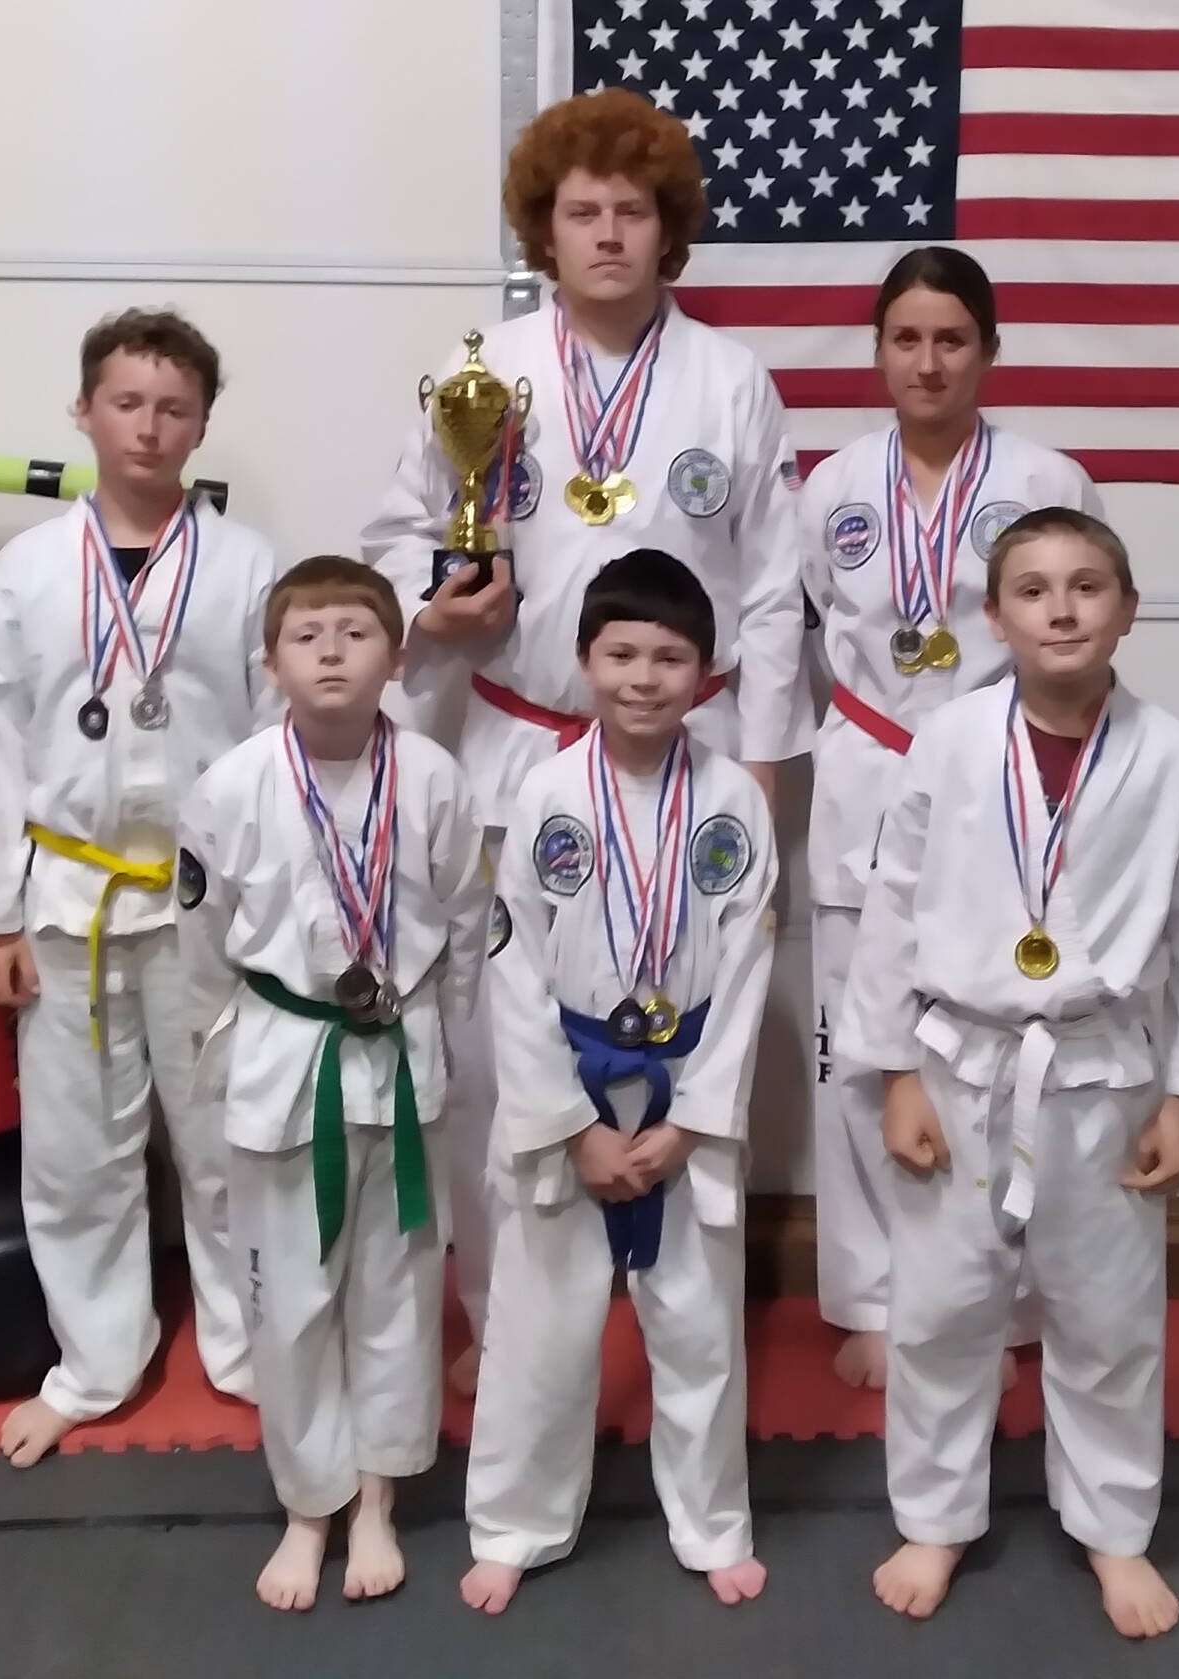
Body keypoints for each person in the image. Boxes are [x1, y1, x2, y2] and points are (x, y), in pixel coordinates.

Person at [362, 87, 810, 1392]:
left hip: (694, 756)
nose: (608, 233)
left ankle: (681, 1322)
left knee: (688, 1028)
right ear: (543, 232)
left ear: (668, 231)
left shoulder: (732, 382)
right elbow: (398, 535)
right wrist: (431, 604)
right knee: (511, 1045)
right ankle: (512, 1318)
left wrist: (770, 759)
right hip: (520, 744)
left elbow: (775, 586)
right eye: (582, 212)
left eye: (633, 211)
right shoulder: (483, 377)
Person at [837, 508, 1179, 1639]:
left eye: (1084, 585)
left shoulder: (1168, 755)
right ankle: (933, 1516)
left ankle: (1114, 1529)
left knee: (1107, 1313)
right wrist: (894, 1076)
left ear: (1126, 605)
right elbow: (891, 905)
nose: (1059, 607)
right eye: (1031, 588)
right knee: (939, 1307)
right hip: (960, 1057)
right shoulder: (950, 741)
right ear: (993, 614)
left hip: (1106, 1067)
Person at [0, 308, 280, 1468]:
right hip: (67, 896)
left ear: (201, 424)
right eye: (126, 402)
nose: (148, 425)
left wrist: (284, 903)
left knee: (230, 1143)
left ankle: (249, 1350)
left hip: (204, 900)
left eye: (173, 406)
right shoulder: (27, 572)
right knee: (76, 1152)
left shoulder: (243, 565)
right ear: (82, 411)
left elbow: (281, 742)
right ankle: (94, 1362)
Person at [800, 247, 1102, 1392]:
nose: (926, 362)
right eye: (904, 338)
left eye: (950, 339)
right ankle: (873, 1296)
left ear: (986, 349)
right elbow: (806, 628)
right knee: (859, 1048)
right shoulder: (830, 486)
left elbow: (1076, 636)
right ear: (877, 349)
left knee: (1001, 1038)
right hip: (867, 769)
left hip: (1000, 775)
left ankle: (1010, 1293)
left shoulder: (1046, 478)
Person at [460, 550, 778, 1615]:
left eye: (670, 656)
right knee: (539, 1326)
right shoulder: (544, 793)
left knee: (695, 1325)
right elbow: (509, 966)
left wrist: (692, 1122)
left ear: (706, 670)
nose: (644, 676)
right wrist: (569, 1125)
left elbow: (745, 973)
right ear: (584, 659)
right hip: (572, 1089)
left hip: (685, 1085)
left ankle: (711, 1520)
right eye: (622, 653)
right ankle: (514, 1521)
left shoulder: (732, 800)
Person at [177, 556, 490, 1610]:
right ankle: (305, 1506)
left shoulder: (438, 779)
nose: (329, 651)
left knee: (397, 1297)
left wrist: (439, 1051)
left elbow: (458, 933)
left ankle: (373, 1501)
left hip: (400, 1068)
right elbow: (202, 946)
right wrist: (234, 1057)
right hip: (285, 1066)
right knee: (290, 1304)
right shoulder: (230, 786)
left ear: (398, 657)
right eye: (306, 633)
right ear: (270, 663)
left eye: (355, 632)